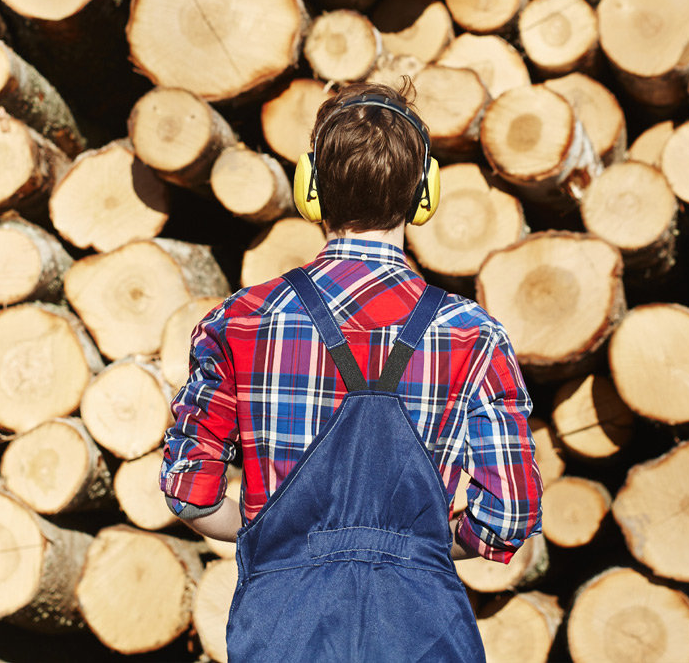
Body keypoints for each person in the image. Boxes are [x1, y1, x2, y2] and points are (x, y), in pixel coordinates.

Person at [160, 80, 543, 661]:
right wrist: (416, 548)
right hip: (422, 637)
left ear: (309, 185)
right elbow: (509, 515)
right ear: (425, 191)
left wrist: (273, 537)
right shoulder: (473, 336)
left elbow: (190, 493)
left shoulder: (238, 322)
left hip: (282, 635)